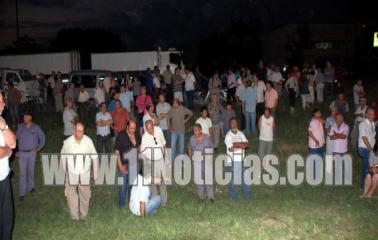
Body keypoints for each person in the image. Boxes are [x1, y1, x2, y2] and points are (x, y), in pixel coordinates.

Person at [60, 122, 98, 222]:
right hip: (71, 173)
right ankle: (75, 217)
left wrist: (95, 172)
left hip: (84, 173)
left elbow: (94, 157)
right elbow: (63, 157)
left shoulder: (88, 141)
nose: (81, 133)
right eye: (78, 131)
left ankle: (84, 215)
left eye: (82, 131)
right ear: (74, 131)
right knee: (71, 195)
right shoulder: (67, 142)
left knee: (85, 195)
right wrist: (64, 173)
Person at [16, 111, 45, 200]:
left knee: (31, 171)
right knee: (22, 173)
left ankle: (31, 187)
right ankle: (22, 193)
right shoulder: (20, 127)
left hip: (32, 153)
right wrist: (16, 151)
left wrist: (38, 148)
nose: (24, 118)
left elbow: (43, 138)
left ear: (30, 118)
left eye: (26, 117)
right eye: (23, 116)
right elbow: (15, 139)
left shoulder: (36, 127)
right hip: (22, 153)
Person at [0, 92, 17, 240]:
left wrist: (4, 125)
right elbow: (8, 149)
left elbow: (13, 143)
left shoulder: (1, 120)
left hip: (4, 179)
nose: (4, 104)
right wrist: (6, 151)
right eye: (0, 101)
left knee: (7, 220)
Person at [140, 120, 168, 207]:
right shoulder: (144, 137)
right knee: (152, 184)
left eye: (151, 128)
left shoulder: (159, 130)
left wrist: (166, 157)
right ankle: (155, 202)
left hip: (160, 160)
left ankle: (164, 202)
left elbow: (164, 143)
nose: (150, 131)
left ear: (153, 125)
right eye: (148, 129)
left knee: (162, 182)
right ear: (145, 128)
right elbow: (142, 152)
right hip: (150, 161)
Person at [115, 119, 141, 208]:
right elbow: (117, 151)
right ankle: (122, 205)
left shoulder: (136, 134)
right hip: (123, 163)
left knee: (132, 184)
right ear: (127, 127)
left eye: (134, 128)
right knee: (122, 185)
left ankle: (131, 202)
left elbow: (138, 146)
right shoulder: (121, 135)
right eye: (131, 128)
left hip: (134, 163)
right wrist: (120, 166)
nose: (133, 130)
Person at [225, 118, 250, 202]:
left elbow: (247, 145)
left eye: (235, 123)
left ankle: (248, 198)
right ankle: (233, 199)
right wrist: (241, 145)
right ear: (230, 125)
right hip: (232, 161)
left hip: (243, 160)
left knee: (246, 180)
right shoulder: (228, 136)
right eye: (232, 123)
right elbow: (231, 149)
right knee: (233, 182)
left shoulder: (241, 133)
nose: (234, 124)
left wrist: (237, 144)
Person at [188, 124, 215, 201]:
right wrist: (190, 158)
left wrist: (210, 158)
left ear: (200, 130)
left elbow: (211, 147)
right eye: (194, 130)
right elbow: (189, 147)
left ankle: (211, 197)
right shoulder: (192, 138)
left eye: (196, 130)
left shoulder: (207, 137)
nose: (195, 132)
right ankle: (201, 197)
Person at [358, 108, 376, 191]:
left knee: (371, 166)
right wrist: (371, 149)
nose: (372, 115)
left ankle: (371, 184)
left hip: (370, 148)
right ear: (366, 115)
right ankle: (363, 187)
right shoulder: (363, 124)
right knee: (367, 167)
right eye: (370, 114)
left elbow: (373, 137)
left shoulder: (373, 124)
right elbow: (364, 138)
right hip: (364, 148)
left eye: (373, 114)